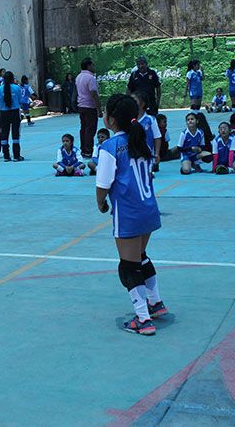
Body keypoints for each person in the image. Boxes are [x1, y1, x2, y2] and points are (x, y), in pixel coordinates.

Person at [95, 93, 165, 336]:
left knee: (128, 266)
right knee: (141, 256)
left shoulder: (110, 146)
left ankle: (143, 319)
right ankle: (155, 302)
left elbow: (103, 184)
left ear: (111, 120)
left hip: (129, 212)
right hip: (148, 209)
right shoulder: (140, 140)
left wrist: (101, 203)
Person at [75, 57, 102, 158]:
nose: (94, 67)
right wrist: (99, 108)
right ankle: (88, 150)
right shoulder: (91, 78)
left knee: (83, 128)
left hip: (81, 105)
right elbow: (94, 93)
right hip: (90, 106)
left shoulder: (78, 77)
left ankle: (84, 149)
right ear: (89, 66)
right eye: (93, 65)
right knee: (90, 129)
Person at [0, 70, 24, 162]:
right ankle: (16, 155)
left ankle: (6, 155)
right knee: (15, 133)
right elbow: (20, 99)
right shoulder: (17, 88)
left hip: (3, 113)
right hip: (15, 112)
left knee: (4, 133)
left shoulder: (0, 89)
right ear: (13, 79)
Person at [133, 90, 161, 172]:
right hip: (132, 155)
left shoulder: (150, 119)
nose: (132, 103)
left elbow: (157, 137)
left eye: (135, 101)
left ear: (142, 104)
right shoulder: (128, 119)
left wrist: (157, 153)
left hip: (146, 155)